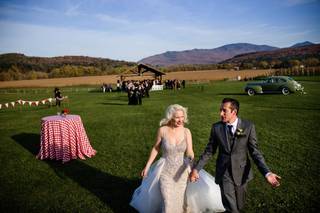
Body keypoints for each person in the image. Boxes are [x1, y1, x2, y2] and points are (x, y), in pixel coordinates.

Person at [190, 98, 281, 213]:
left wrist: (267, 172)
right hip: (224, 172)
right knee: (231, 207)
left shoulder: (248, 126)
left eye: (224, 111)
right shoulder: (216, 128)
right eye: (220, 110)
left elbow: (255, 152)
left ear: (234, 112)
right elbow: (209, 151)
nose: (220, 113)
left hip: (242, 173)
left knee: (239, 205)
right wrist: (196, 169)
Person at [130, 104, 225, 213]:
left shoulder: (186, 132)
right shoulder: (162, 130)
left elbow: (190, 151)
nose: (180, 120)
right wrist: (147, 167)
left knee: (179, 201)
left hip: (182, 171)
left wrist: (191, 162)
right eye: (177, 117)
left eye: (182, 117)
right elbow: (156, 148)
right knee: (168, 201)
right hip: (165, 171)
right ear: (170, 117)